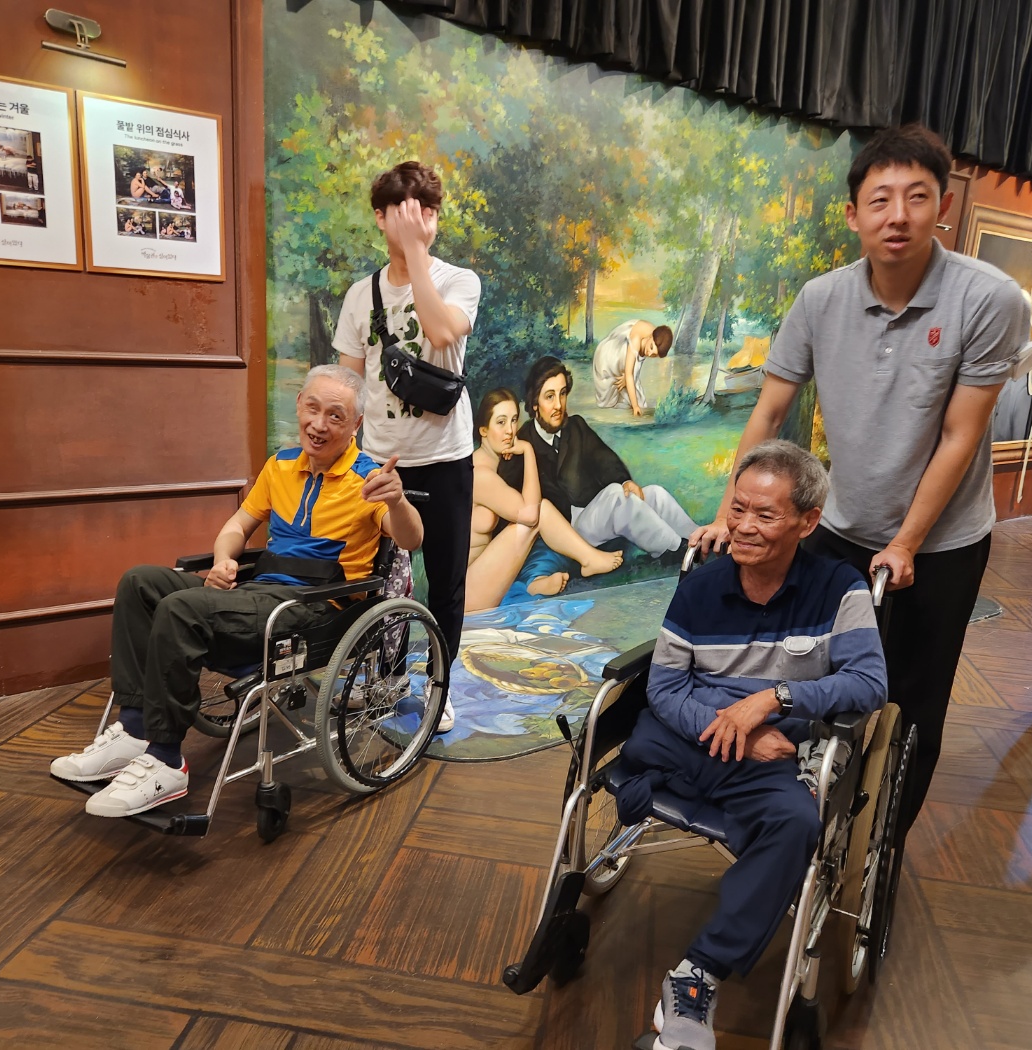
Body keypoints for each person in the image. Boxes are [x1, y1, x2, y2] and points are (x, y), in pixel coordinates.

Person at [692, 124, 1031, 837]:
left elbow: (961, 435)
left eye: (917, 197)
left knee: (911, 698)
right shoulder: (821, 299)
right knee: (808, 672)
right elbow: (769, 412)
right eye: (880, 200)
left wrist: (906, 541)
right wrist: (730, 514)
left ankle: (881, 848)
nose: (897, 215)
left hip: (941, 543)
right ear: (853, 215)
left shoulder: (989, 299)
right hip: (841, 526)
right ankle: (803, 823)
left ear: (943, 206)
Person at [49, 366, 423, 816]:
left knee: (181, 608)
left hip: (313, 610)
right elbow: (239, 525)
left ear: (355, 424)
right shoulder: (280, 465)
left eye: (335, 416)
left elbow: (411, 538)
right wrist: (224, 558)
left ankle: (166, 762)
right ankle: (133, 729)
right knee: (140, 582)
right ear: (299, 404)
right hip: (259, 591)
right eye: (312, 408)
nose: (319, 424)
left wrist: (397, 500)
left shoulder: (368, 479)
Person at [619, 441, 887, 1050]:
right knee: (647, 739)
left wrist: (773, 701)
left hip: (771, 748)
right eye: (738, 508)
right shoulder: (702, 585)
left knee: (796, 823)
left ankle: (696, 974)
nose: (743, 526)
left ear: (807, 522)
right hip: (691, 737)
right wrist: (734, 733)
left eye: (765, 515)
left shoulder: (838, 589)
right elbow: (665, 687)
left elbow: (870, 683)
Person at [335, 161, 481, 732]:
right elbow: (348, 385)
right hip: (381, 460)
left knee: (445, 582)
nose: (422, 222)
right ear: (381, 217)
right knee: (383, 579)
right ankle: (388, 676)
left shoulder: (459, 281)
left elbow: (442, 332)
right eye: (407, 212)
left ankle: (439, 685)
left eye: (430, 212)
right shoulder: (360, 296)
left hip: (445, 459)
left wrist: (415, 252)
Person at [499, 356, 697, 559]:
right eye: (550, 397)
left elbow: (604, 458)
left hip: (596, 511)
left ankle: (699, 540)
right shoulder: (522, 443)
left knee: (655, 494)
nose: (558, 405)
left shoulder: (575, 426)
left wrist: (625, 481)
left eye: (562, 393)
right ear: (534, 403)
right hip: (568, 530)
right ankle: (674, 550)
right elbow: (506, 497)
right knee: (617, 496)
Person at [467, 388, 623, 611]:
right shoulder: (480, 474)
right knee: (540, 511)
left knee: (541, 512)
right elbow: (531, 514)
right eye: (501, 422)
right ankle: (588, 560)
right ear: (483, 430)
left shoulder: (497, 463)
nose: (510, 430)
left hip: (484, 577)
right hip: (468, 592)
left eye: (513, 420)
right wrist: (528, 450)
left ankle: (539, 581)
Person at [592, 319, 673, 416]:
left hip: (624, 360)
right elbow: (630, 374)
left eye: (654, 355)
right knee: (610, 399)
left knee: (638, 400)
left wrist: (628, 376)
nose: (649, 353)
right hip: (609, 357)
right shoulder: (636, 339)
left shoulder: (659, 336)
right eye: (651, 347)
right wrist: (635, 406)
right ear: (651, 336)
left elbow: (631, 372)